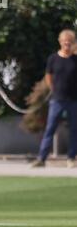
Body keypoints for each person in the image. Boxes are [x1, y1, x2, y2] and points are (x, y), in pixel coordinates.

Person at [31, 29, 77, 168]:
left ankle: (71, 158)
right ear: (60, 42)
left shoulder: (75, 60)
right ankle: (42, 158)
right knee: (50, 129)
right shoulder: (53, 59)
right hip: (57, 99)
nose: (67, 45)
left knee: (74, 130)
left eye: (69, 43)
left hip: (73, 100)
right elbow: (48, 76)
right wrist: (54, 89)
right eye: (65, 42)